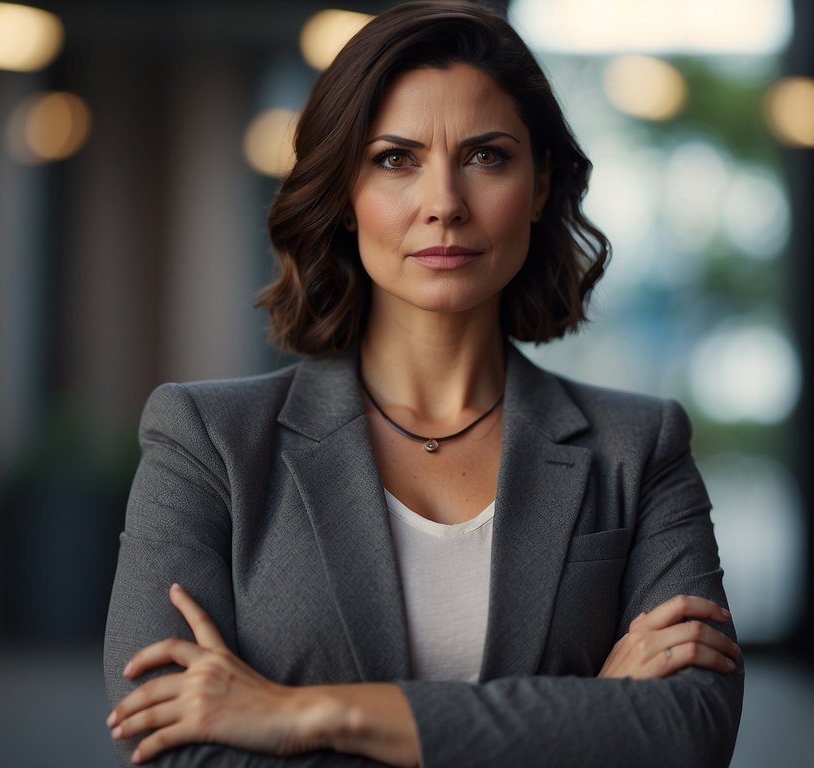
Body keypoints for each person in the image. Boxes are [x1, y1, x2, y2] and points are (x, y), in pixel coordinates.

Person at [103, 1, 743, 765]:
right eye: (395, 159)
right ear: (345, 193)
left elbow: (687, 733)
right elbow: (167, 745)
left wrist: (309, 715)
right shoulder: (206, 441)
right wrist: (583, 717)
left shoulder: (639, 449)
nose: (443, 203)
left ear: (540, 186)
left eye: (486, 157)